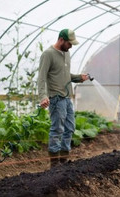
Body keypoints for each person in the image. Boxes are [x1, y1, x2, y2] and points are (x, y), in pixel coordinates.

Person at [37, 29, 89, 168]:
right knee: (57, 129)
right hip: (56, 98)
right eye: (69, 43)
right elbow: (41, 78)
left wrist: (79, 78)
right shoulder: (48, 54)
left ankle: (64, 160)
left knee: (70, 128)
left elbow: (66, 75)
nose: (71, 46)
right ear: (61, 40)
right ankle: (54, 164)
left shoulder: (66, 54)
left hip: (67, 98)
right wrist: (43, 96)